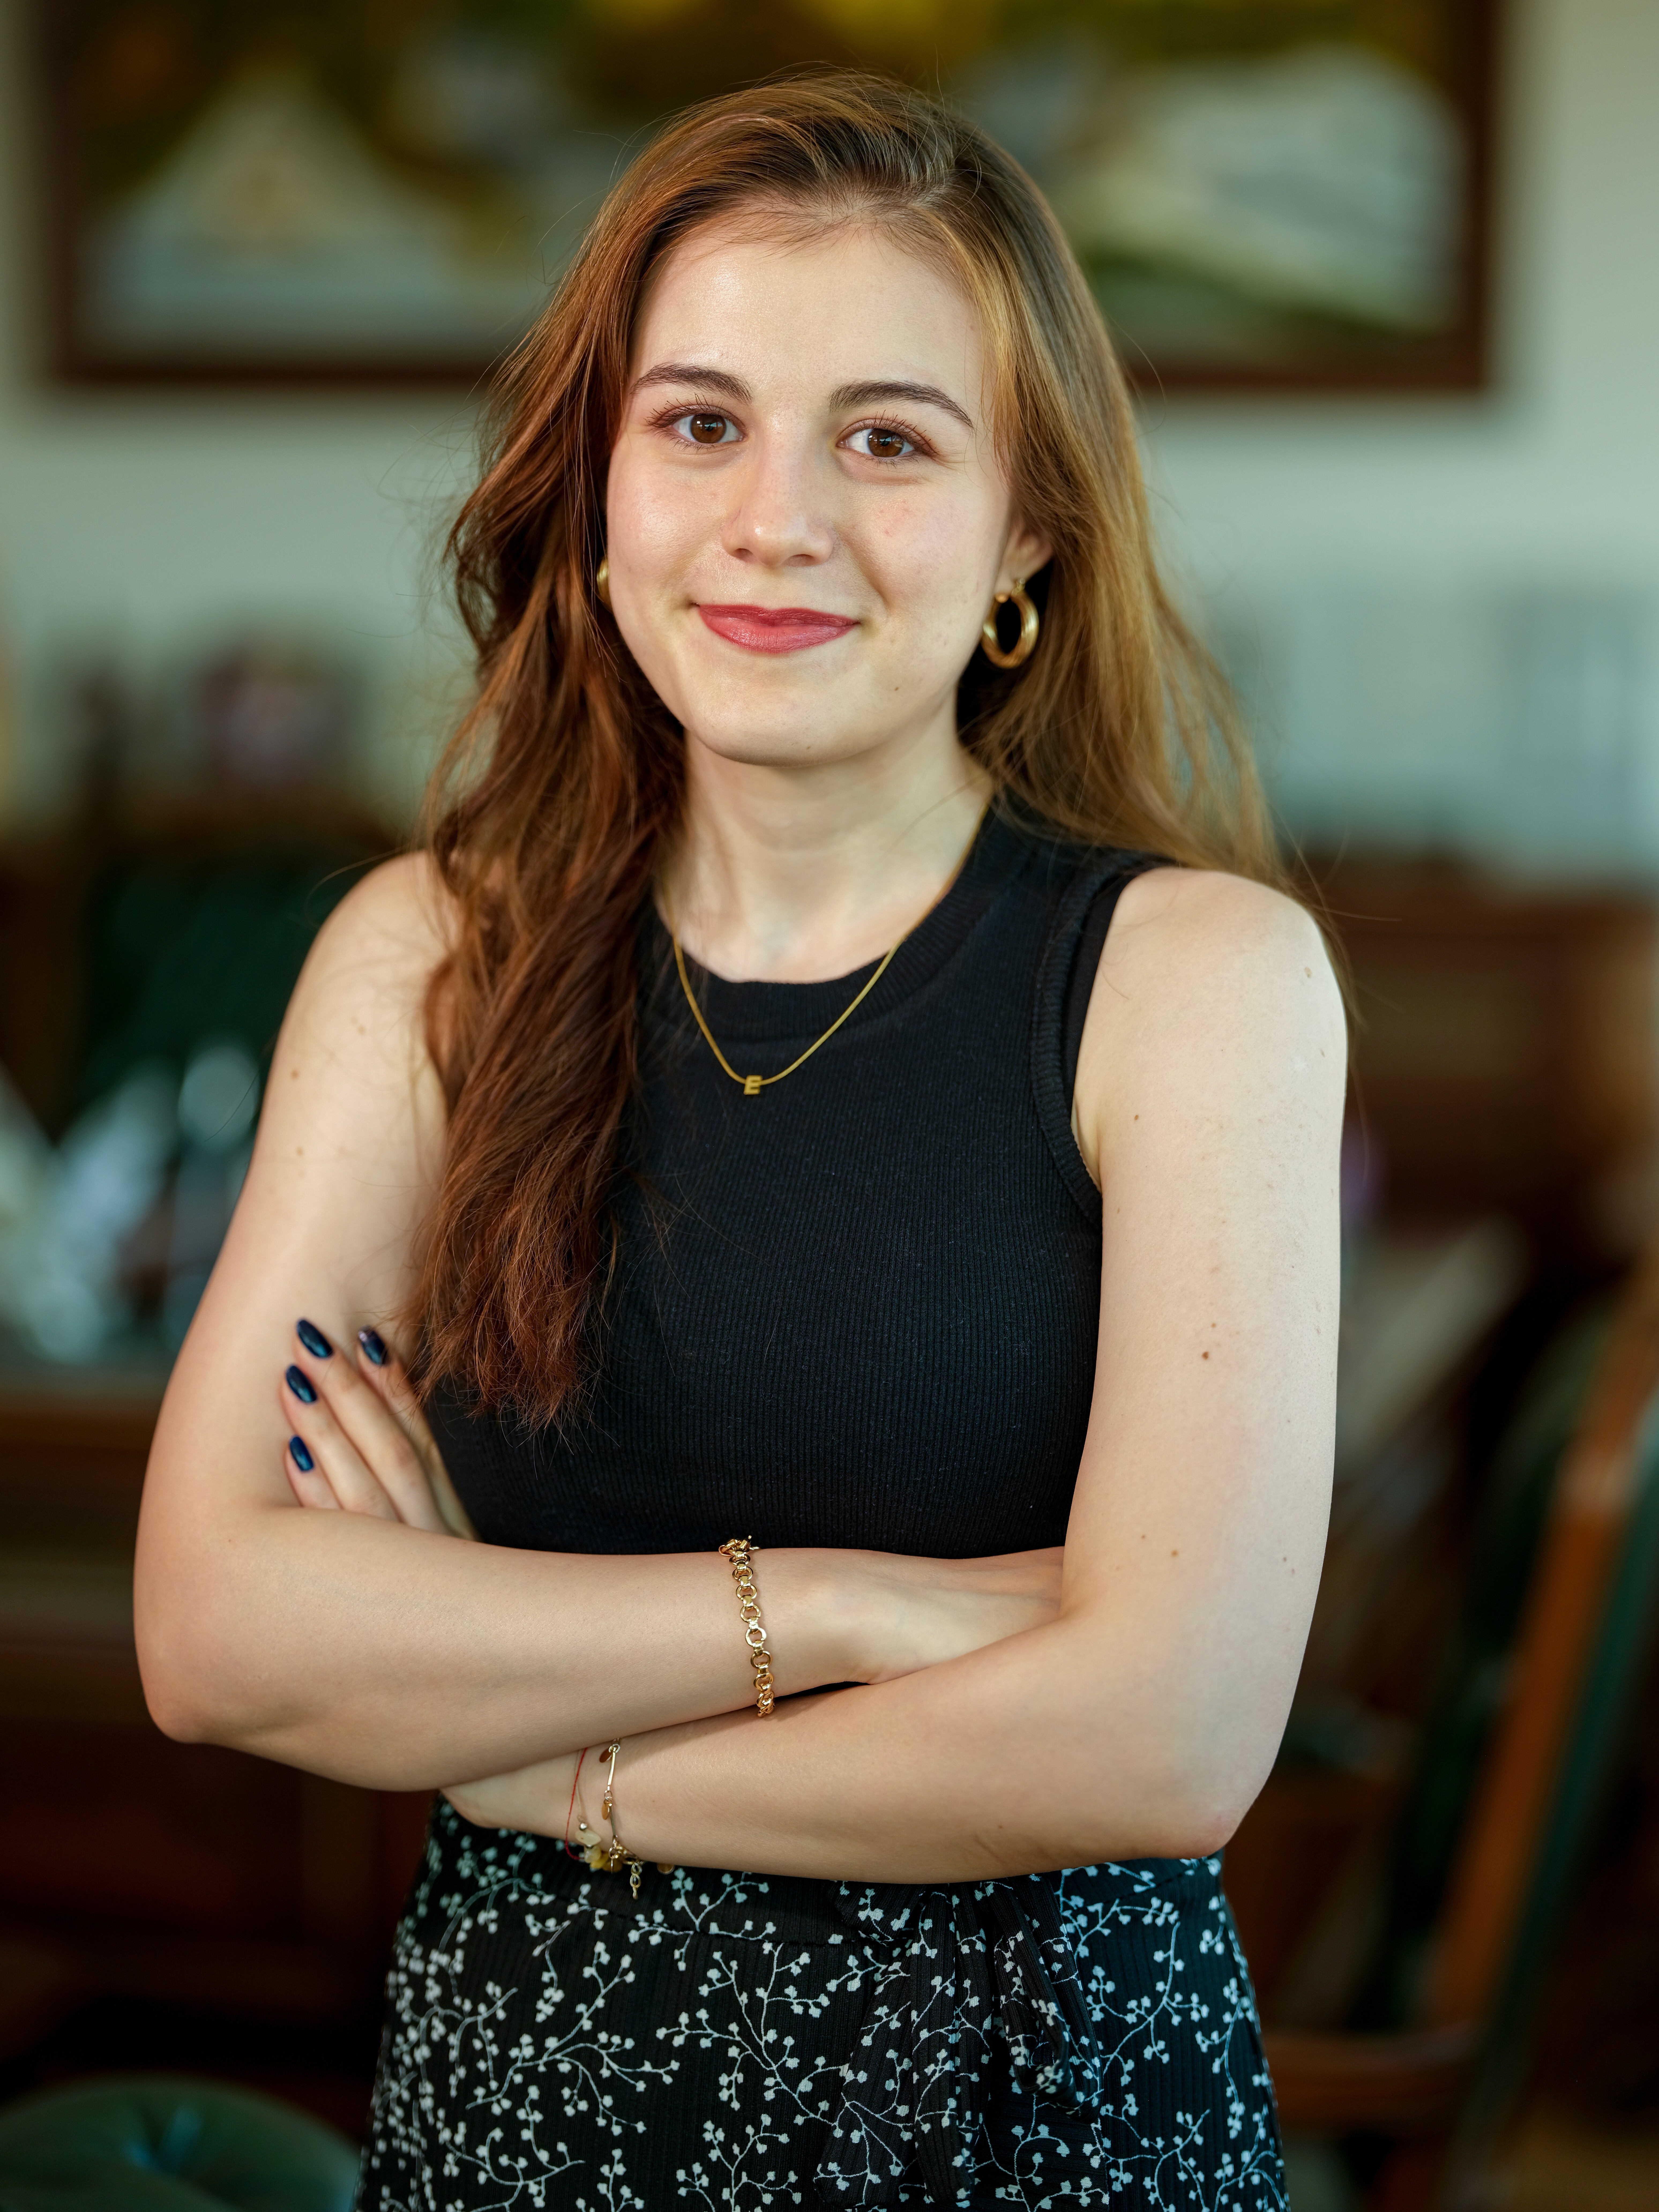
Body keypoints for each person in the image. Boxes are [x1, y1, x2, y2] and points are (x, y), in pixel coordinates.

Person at [135, 71, 1343, 2212]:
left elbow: (1166, 1742)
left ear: (1028, 534)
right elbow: (217, 1629)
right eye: (701, 424)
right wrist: (854, 1613)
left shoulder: (1198, 980)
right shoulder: (430, 958)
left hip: (1030, 2129)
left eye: (889, 441)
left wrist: (536, 1767)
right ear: (600, 496)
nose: (776, 520)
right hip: (526, 2127)